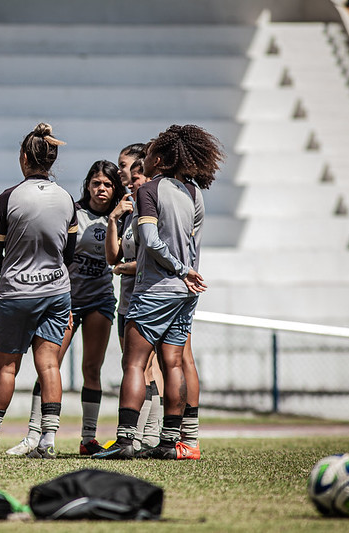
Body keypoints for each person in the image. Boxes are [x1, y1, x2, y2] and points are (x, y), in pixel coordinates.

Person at [93, 124, 223, 460]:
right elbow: (191, 245)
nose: (143, 160)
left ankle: (124, 441)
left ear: (161, 160)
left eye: (149, 154)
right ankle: (169, 442)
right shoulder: (193, 193)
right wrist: (187, 273)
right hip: (185, 293)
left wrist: (178, 269)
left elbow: (150, 241)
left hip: (155, 290)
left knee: (134, 363)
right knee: (173, 363)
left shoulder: (149, 190)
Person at [6, 160, 125, 457]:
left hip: (100, 300)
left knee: (91, 370)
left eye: (108, 185)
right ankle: (35, 436)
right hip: (67, 300)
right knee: (49, 366)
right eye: (96, 183)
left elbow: (117, 259)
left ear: (115, 189)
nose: (101, 189)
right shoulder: (73, 211)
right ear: (87, 184)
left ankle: (88, 439)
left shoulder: (121, 217)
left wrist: (115, 220)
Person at [0, 122, 77, 460]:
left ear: (23, 158)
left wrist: (15, 276)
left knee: (6, 369)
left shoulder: (9, 197)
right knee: (49, 366)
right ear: (51, 160)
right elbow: (70, 254)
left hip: (17, 293)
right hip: (57, 291)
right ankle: (47, 441)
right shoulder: (66, 199)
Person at [104, 155, 163, 451]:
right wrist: (114, 218)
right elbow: (112, 257)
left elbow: (152, 259)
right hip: (127, 299)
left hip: (148, 299)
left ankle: (146, 435)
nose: (124, 175)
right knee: (133, 365)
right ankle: (139, 436)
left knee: (145, 368)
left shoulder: (152, 209)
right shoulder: (128, 209)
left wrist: (128, 267)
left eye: (129, 170)